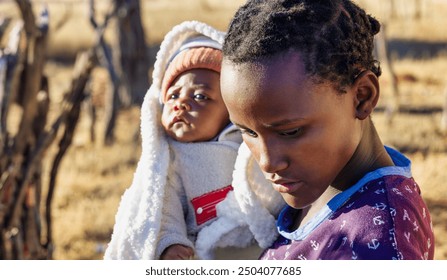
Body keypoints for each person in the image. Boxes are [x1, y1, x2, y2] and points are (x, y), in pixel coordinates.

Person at [219, 0, 435, 260]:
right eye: (248, 132)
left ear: (362, 97)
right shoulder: (318, 180)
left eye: (290, 132)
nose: (267, 163)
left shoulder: (374, 242)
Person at [104, 21, 283, 260]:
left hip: (261, 243)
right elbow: (161, 209)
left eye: (200, 96)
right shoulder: (169, 161)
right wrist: (171, 244)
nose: (181, 103)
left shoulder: (246, 144)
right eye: (173, 95)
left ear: (232, 108)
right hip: (207, 250)